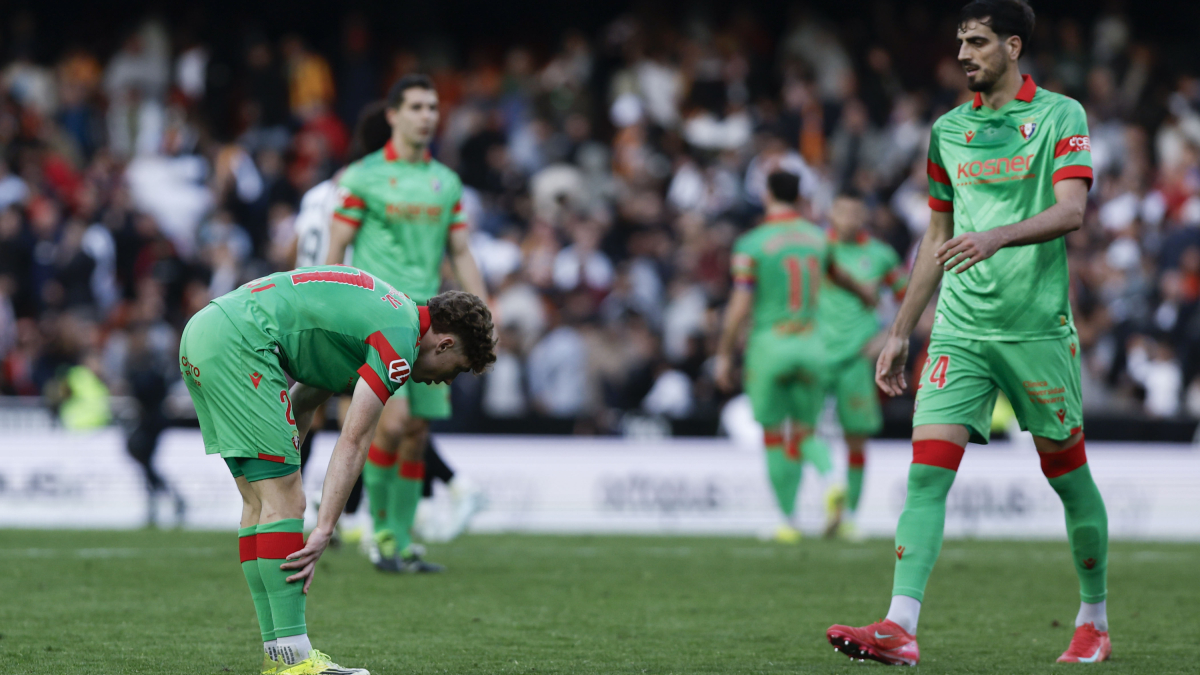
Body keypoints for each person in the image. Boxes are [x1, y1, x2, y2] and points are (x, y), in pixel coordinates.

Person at [826, 0, 1109, 665]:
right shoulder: (948, 131)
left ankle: (1093, 617)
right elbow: (937, 234)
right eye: (960, 43)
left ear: (1013, 46)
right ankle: (900, 624)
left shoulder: (1060, 116)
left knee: (1067, 476)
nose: (963, 55)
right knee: (926, 476)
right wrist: (900, 328)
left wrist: (997, 237)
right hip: (958, 328)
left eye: (978, 43)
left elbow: (1072, 211)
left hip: (1035, 329)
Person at [179, 267, 495, 675]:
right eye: (457, 368)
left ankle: (279, 656)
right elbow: (355, 439)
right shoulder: (399, 344)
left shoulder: (382, 314)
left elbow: (306, 400)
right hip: (240, 345)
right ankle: (294, 660)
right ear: (446, 343)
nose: (448, 380)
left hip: (205, 334)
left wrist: (280, 446)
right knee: (285, 502)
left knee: (261, 504)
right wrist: (325, 527)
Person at [326, 74, 489, 573]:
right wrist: (331, 309)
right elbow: (334, 250)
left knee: (416, 429)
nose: (427, 116)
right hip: (379, 319)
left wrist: (482, 318)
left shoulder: (447, 182)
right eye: (417, 106)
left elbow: (461, 252)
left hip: (434, 323)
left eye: (433, 107)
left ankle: (398, 541)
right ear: (393, 114)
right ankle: (378, 536)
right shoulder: (362, 176)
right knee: (390, 424)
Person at [714, 171, 875, 544]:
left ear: (767, 194)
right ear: (800, 196)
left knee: (774, 435)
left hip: (770, 345)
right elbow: (843, 277)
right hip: (811, 345)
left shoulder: (752, 243)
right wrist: (867, 296)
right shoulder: (818, 237)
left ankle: (787, 522)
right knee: (804, 431)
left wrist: (723, 353)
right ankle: (832, 478)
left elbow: (739, 307)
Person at [817, 192, 908, 540]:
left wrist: (889, 335)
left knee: (856, 439)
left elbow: (908, 297)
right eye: (843, 210)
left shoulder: (880, 255)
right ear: (831, 212)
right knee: (801, 431)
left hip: (856, 356)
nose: (850, 217)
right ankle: (810, 505)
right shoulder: (816, 248)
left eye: (856, 211)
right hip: (817, 353)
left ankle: (849, 517)